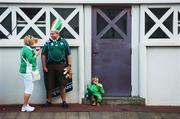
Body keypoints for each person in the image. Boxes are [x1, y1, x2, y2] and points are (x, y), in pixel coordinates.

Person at [41, 18, 72, 108]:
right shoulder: (47, 42)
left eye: (52, 33)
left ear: (57, 33)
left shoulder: (64, 41)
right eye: (50, 33)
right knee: (49, 85)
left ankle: (64, 101)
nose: (51, 35)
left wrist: (69, 65)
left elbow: (69, 54)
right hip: (49, 66)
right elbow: (43, 54)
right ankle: (48, 101)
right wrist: (44, 66)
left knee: (62, 84)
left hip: (61, 66)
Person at [19, 35, 41, 112]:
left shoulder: (25, 48)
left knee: (27, 88)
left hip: (25, 71)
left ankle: (26, 105)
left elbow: (29, 58)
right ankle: (24, 106)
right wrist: (37, 54)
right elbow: (31, 60)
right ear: (29, 41)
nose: (34, 41)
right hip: (27, 71)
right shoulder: (27, 50)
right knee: (29, 89)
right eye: (33, 40)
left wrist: (34, 52)